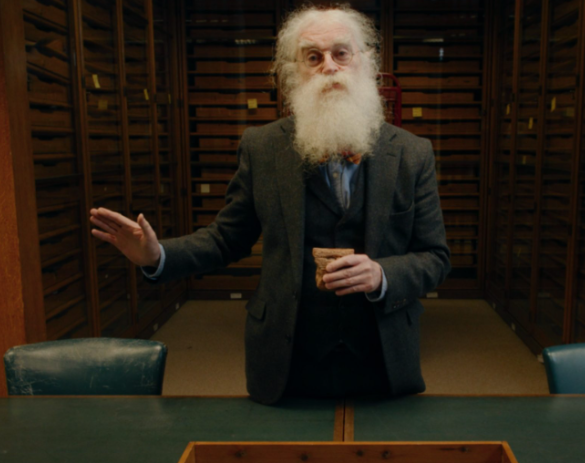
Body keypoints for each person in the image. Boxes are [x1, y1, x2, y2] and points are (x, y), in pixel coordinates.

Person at [89, 5, 450, 405]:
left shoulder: (413, 154)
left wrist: (383, 274)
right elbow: (227, 239)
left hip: (382, 357)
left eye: (341, 53)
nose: (328, 66)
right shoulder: (262, 147)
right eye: (313, 57)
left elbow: (435, 257)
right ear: (294, 71)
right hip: (289, 360)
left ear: (365, 61)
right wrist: (156, 256)